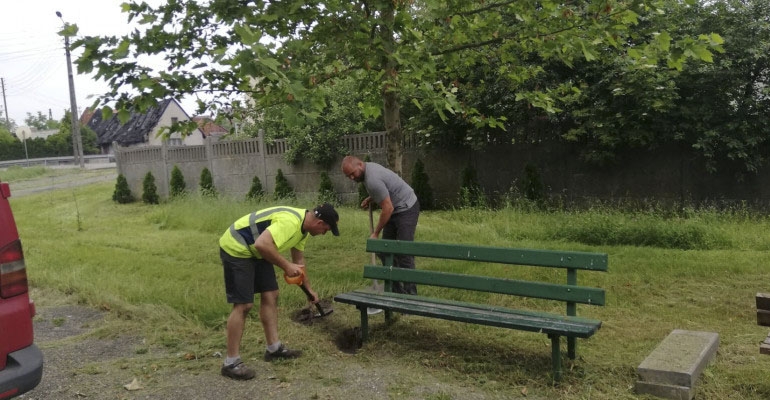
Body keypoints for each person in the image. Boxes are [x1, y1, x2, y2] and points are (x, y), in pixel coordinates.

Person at [218, 203, 340, 380]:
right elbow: (262, 244)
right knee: (244, 305)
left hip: (258, 250)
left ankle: (274, 349)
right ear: (320, 223)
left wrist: (309, 289)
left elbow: (298, 261)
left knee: (271, 295)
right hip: (237, 247)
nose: (323, 234)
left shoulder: (303, 229)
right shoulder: (290, 222)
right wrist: (286, 265)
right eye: (326, 230)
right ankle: (231, 362)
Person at [341, 155, 419, 295]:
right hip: (394, 209)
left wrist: (376, 232)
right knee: (384, 250)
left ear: (359, 164)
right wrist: (372, 198)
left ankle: (410, 297)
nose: (351, 178)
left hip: (407, 208)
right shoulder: (367, 172)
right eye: (348, 176)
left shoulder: (372, 179)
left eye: (352, 174)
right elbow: (386, 188)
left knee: (404, 253)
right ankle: (396, 292)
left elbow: (387, 208)